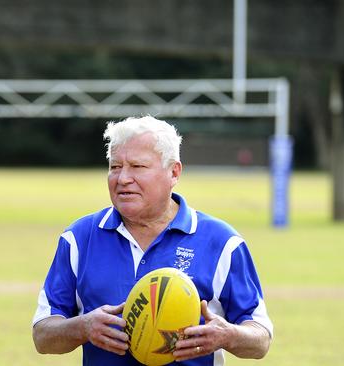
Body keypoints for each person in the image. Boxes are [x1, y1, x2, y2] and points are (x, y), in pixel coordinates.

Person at [32, 116, 272, 366]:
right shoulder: (80, 238)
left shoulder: (221, 242)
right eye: (115, 167)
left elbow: (260, 339)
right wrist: (82, 327)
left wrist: (228, 335)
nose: (123, 178)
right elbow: (42, 335)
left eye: (137, 167)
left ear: (174, 172)